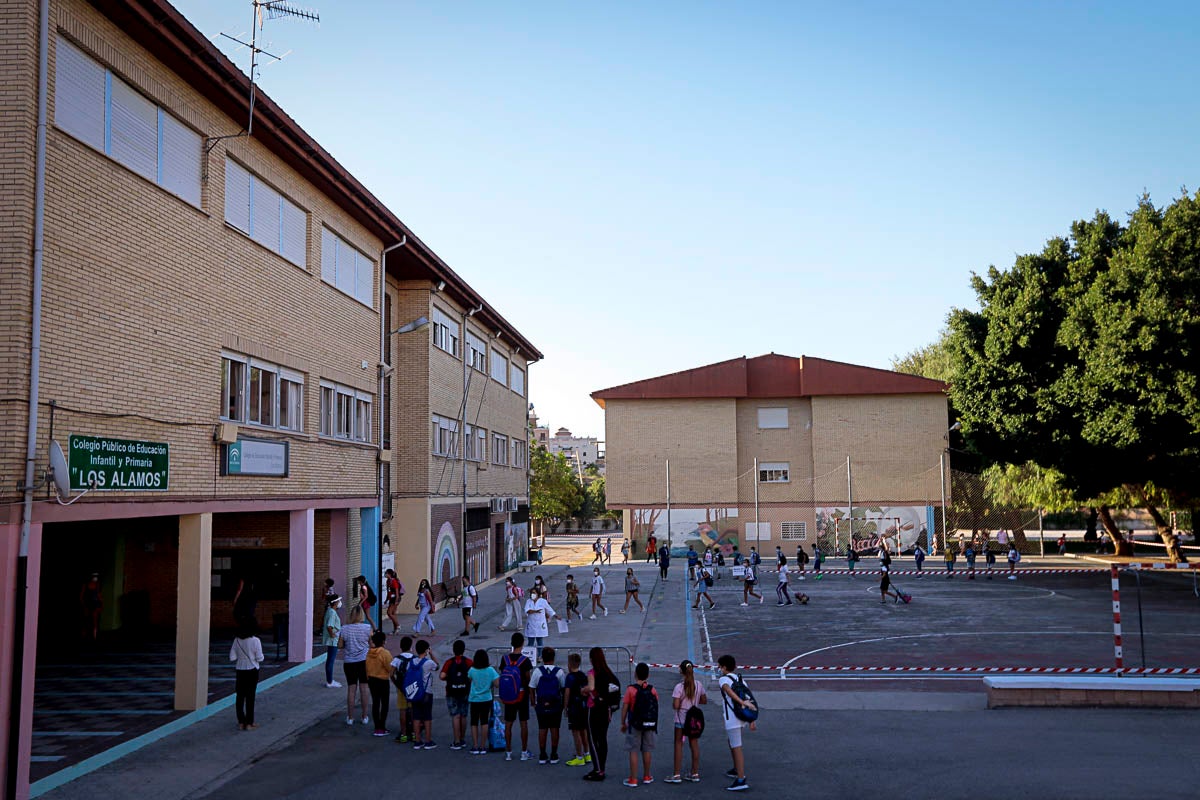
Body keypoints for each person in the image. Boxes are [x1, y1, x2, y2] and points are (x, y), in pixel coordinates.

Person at [717, 654, 756, 792]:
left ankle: (741, 778)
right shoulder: (741, 680)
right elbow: (749, 698)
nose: (719, 669)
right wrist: (751, 719)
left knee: (737, 746)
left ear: (724, 667)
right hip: (741, 716)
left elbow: (727, 689)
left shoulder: (723, 679)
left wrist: (740, 702)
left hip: (732, 718)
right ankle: (736, 768)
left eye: (720, 666)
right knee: (732, 743)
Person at [665, 659, 707, 784]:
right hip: (693, 720)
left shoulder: (679, 687)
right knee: (694, 744)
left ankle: (677, 774)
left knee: (678, 744)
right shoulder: (699, 685)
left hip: (681, 719)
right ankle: (695, 773)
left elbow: (676, 705)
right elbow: (704, 700)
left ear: (681, 671)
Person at [583, 646, 619, 781]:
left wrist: (584, 690)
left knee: (593, 740)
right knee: (602, 739)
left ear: (592, 659)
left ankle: (597, 770)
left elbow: (591, 688)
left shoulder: (592, 673)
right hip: (606, 709)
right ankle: (601, 767)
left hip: (594, 709)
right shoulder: (608, 673)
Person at [620, 662, 659, 787]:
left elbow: (625, 707)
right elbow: (655, 705)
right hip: (649, 723)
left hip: (635, 724)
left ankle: (633, 779)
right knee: (647, 749)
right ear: (648, 675)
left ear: (635, 674)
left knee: (634, 750)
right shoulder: (652, 689)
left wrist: (623, 722)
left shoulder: (630, 690)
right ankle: (647, 776)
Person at [500, 632, 534, 761]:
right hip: (522, 694)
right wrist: (532, 697)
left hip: (509, 695)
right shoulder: (524, 661)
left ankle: (508, 752)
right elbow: (528, 679)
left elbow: (503, 674)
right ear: (522, 643)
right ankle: (524, 752)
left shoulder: (505, 659)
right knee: (523, 723)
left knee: (508, 724)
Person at [531, 646, 566, 764]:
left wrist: (533, 702)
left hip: (541, 704)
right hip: (555, 704)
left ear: (543, 658)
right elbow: (563, 688)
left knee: (542, 728)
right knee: (555, 728)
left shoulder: (537, 671)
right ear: (553, 658)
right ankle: (554, 754)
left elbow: (532, 687)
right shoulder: (559, 671)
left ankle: (542, 754)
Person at [338, 606, 372, 726]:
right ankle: (364, 716)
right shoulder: (367, 628)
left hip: (349, 662)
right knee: (364, 689)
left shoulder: (344, 629)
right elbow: (372, 644)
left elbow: (340, 645)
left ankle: (350, 717)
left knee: (351, 689)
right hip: (364, 661)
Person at [230, 620, 264, 731]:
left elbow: (232, 657)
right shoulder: (255, 641)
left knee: (240, 696)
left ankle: (241, 722)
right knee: (250, 696)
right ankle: (250, 723)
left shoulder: (237, 640)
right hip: (252, 670)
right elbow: (260, 658)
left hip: (240, 669)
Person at [440, 638, 472, 750]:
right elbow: (472, 676)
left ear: (453, 650)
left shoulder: (449, 662)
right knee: (464, 715)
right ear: (464, 650)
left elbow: (442, 676)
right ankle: (462, 738)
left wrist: (450, 678)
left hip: (452, 692)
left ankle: (456, 741)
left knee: (455, 716)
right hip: (465, 691)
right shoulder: (468, 662)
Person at [467, 648, 499, 755]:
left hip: (474, 698)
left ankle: (475, 746)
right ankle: (483, 746)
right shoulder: (490, 670)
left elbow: (469, 680)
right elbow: (497, 684)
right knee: (484, 721)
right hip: (486, 698)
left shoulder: (472, 670)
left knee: (474, 722)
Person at [409, 639, 439, 749]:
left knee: (416, 716)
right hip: (426, 692)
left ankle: (417, 741)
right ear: (426, 650)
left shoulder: (412, 662)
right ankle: (428, 740)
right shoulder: (428, 662)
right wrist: (431, 653)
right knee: (427, 716)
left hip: (414, 691)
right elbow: (437, 666)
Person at [564, 652, 592, 766]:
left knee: (576, 732)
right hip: (584, 706)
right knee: (584, 730)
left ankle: (579, 756)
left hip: (574, 707)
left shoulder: (569, 677)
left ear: (570, 664)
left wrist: (565, 707)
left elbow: (567, 693)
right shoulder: (583, 676)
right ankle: (587, 753)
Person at [365, 630, 393, 736]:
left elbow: (366, 667)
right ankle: (382, 726)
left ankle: (377, 727)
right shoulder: (385, 653)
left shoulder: (368, 653)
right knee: (384, 704)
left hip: (372, 679)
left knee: (375, 703)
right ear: (383, 641)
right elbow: (390, 668)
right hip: (383, 680)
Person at [391, 636, 415, 742]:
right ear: (411, 646)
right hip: (413, 688)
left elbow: (391, 674)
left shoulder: (397, 659)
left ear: (400, 647)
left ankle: (404, 734)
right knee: (413, 711)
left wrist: (397, 684)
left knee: (403, 711)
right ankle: (414, 733)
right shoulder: (415, 659)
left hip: (401, 688)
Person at [322, 594, 343, 688]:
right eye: (338, 601)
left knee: (330, 659)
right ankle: (329, 681)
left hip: (333, 639)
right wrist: (332, 635)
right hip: (333, 640)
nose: (339, 603)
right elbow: (329, 626)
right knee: (331, 660)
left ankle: (330, 680)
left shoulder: (331, 611)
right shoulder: (332, 613)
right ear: (335, 603)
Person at [80, 572, 103, 643]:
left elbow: (99, 595)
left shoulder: (97, 585)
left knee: (95, 621)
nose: (96, 578)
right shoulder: (85, 585)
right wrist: (84, 606)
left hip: (95, 604)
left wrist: (101, 604)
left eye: (97, 576)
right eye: (94, 576)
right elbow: (81, 596)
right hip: (87, 604)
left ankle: (95, 637)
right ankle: (84, 637)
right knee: (86, 621)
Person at [384, 569, 404, 635]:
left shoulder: (394, 581)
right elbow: (388, 591)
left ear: (389, 574)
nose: (385, 574)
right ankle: (395, 629)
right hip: (391, 598)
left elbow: (397, 592)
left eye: (386, 573)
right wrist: (387, 599)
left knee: (389, 613)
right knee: (393, 613)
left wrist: (396, 600)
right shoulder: (388, 581)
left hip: (395, 598)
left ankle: (398, 625)